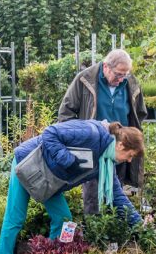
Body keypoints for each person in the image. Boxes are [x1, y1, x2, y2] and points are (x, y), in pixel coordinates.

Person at [0, 120, 144, 254]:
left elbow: (117, 197)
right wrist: (66, 159)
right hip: (28, 164)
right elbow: (50, 133)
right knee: (15, 218)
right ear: (121, 145)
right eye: (130, 155)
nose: (130, 160)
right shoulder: (91, 133)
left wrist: (141, 226)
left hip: (50, 180)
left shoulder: (105, 163)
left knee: (63, 219)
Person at [58, 49, 147, 214]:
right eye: (118, 75)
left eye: (125, 75)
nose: (121, 80)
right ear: (106, 66)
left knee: (116, 191)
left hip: (121, 147)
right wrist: (81, 138)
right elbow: (66, 114)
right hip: (95, 147)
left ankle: (115, 232)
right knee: (93, 194)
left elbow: (139, 114)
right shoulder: (85, 80)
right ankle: (94, 231)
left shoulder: (131, 83)